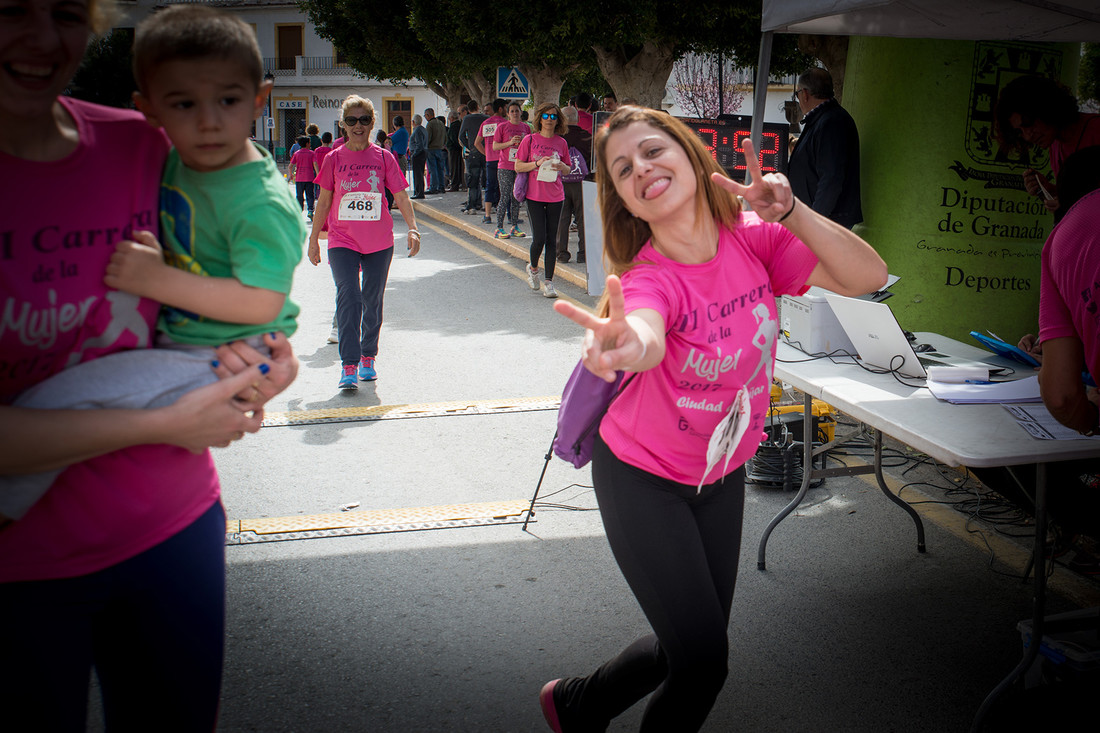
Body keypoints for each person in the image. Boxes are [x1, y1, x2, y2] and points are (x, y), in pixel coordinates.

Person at [0, 2, 298, 728]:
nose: (43, 38)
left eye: (68, 11)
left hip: (173, 532)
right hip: (18, 570)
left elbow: (253, 273)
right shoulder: (165, 130)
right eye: (11, 9)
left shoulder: (146, 143)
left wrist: (271, 366)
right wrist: (167, 420)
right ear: (153, 102)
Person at [544, 107, 886, 731]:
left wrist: (792, 211)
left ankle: (577, 702)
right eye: (623, 169)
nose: (641, 169)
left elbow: (868, 277)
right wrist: (626, 345)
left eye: (652, 151)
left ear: (691, 155)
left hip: (721, 474)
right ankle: (579, 703)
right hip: (643, 481)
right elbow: (646, 331)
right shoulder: (650, 279)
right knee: (704, 663)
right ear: (624, 200)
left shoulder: (754, 237)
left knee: (691, 643)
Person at [1, 2, 305, 519]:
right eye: (183, 104)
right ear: (151, 109)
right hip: (198, 354)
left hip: (204, 379)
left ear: (258, 101)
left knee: (68, 395)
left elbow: (263, 302)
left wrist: (155, 280)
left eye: (69, 15)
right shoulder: (172, 153)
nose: (208, 121)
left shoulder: (244, 191)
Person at [308, 95, 420, 389]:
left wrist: (413, 228)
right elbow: (324, 201)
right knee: (349, 297)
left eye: (364, 120)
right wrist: (313, 240)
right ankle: (348, 365)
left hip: (379, 242)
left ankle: (368, 356)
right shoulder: (334, 159)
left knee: (372, 300)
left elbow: (400, 195)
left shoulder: (384, 157)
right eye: (352, 120)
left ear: (372, 123)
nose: (358, 126)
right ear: (343, 125)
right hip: (342, 240)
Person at [995, 75, 1100, 212]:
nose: (1027, 136)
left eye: (1028, 123)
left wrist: (1069, 203)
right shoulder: (1056, 146)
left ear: (1046, 107)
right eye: (1019, 132)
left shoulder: (1096, 130)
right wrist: (1052, 191)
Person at [787, 67, 863, 229]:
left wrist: (814, 222)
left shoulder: (831, 122)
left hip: (829, 222)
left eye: (798, 93)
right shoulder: (823, 119)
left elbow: (831, 178)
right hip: (821, 220)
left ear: (805, 94)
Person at [515, 103, 572, 298]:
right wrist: (537, 163)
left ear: (558, 120)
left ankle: (549, 282)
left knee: (551, 240)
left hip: (556, 196)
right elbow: (518, 166)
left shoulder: (561, 143)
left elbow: (568, 169)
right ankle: (533, 269)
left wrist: (562, 166)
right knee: (539, 238)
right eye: (546, 117)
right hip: (535, 196)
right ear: (539, 119)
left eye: (553, 117)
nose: (549, 120)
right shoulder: (529, 140)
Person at [556, 105, 592, 264]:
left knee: (562, 219)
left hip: (561, 183)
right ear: (577, 119)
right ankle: (583, 253)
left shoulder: (558, 137)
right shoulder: (588, 137)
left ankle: (561, 253)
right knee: (583, 219)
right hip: (583, 184)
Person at [492, 100, 530, 239]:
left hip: (520, 166)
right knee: (505, 196)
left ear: (521, 112)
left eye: (517, 110)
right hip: (505, 167)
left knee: (517, 197)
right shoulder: (502, 127)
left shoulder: (526, 128)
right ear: (508, 114)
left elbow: (530, 145)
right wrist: (510, 142)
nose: (515, 113)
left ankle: (514, 226)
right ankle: (499, 228)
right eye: (512, 111)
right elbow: (495, 146)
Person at [476, 98, 508, 224]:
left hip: (490, 160)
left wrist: (486, 153)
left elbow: (477, 143)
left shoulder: (486, 123)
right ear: (500, 109)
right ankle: (508, 216)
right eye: (506, 108)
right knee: (505, 188)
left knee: (490, 186)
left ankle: (487, 215)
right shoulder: (506, 123)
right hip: (504, 161)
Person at [459, 98, 487, 215]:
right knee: (485, 179)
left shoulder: (467, 119)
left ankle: (472, 205)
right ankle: (483, 203)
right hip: (485, 152)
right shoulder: (486, 118)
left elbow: (461, 136)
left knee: (473, 180)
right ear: (478, 107)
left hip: (473, 153)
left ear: (468, 110)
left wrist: (469, 146)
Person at [289, 134, 316, 218]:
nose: (310, 144)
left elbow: (290, 165)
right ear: (307, 143)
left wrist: (291, 174)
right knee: (310, 195)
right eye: (309, 142)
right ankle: (310, 211)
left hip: (299, 178)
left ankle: (299, 212)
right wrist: (318, 175)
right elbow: (315, 164)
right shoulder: (312, 153)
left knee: (299, 195)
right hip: (309, 178)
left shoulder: (297, 154)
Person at [424, 107, 447, 194]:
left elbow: (428, 138)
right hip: (440, 149)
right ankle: (441, 187)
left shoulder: (430, 124)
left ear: (428, 115)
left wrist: (425, 147)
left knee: (432, 169)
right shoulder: (441, 123)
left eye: (425, 115)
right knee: (440, 169)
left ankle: (433, 187)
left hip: (431, 149)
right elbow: (445, 137)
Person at [408, 113, 428, 199]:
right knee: (419, 173)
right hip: (423, 153)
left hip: (418, 154)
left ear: (413, 122)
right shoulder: (423, 129)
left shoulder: (417, 130)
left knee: (417, 174)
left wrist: (414, 154)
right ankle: (419, 191)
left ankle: (419, 192)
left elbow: (419, 144)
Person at [446, 108, 465, 192]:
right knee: (458, 167)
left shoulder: (454, 126)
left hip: (454, 150)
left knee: (454, 168)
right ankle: (459, 183)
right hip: (458, 149)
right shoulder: (460, 125)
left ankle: (454, 185)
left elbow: (454, 139)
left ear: (451, 118)